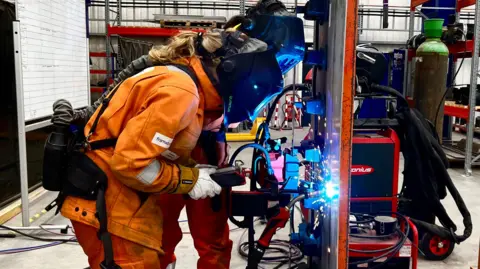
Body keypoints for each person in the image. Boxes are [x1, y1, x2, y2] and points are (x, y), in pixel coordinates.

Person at [51, 27, 285, 269]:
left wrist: (196, 169)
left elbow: (154, 149)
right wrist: (190, 180)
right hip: (110, 206)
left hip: (117, 200)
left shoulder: (184, 83)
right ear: (229, 73)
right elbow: (130, 164)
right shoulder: (181, 91)